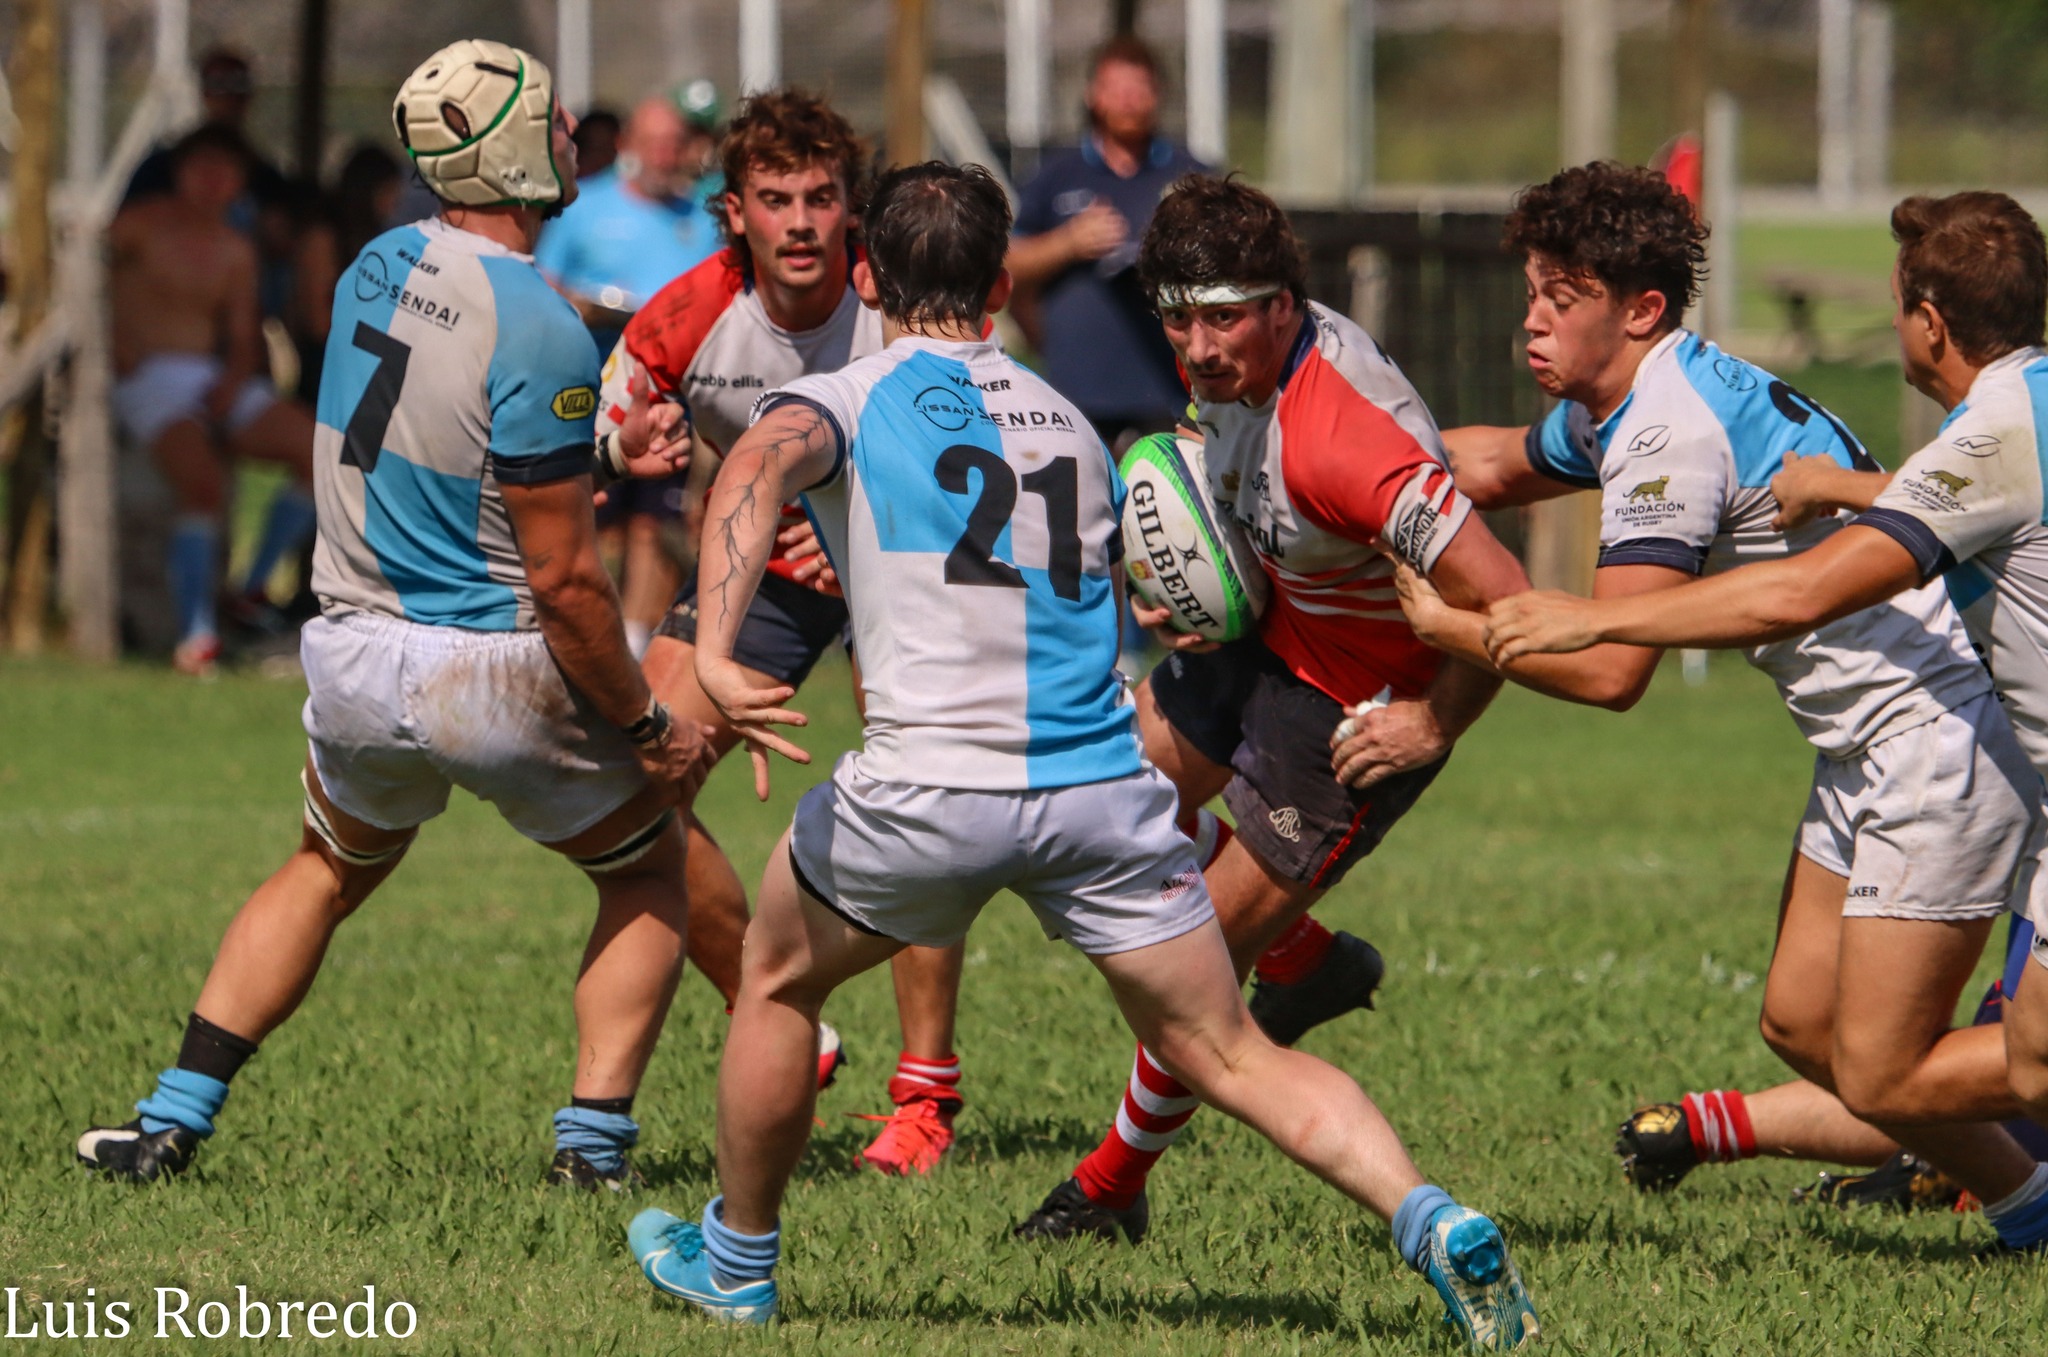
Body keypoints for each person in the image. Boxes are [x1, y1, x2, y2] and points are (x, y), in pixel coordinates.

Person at [621, 161, 1540, 1349]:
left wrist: (718, 648)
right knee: (1225, 1049)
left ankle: (736, 1262)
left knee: (778, 980)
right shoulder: (1069, 421)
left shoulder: (846, 394)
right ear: (1003, 283)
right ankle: (1430, 1217)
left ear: (865, 276)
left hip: (928, 790)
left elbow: (750, 465)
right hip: (1097, 791)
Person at [75, 39, 709, 1195]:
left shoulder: (373, 264)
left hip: (355, 655)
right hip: (492, 668)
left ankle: (168, 1120)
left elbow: (441, 452)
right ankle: (593, 1147)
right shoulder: (543, 319)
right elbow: (566, 585)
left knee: (325, 862)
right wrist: (645, 725)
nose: (572, 132)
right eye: (553, 118)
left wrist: (600, 453)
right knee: (646, 871)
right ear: (511, 149)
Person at [1401, 169, 2048, 1251]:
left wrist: (1465, 629)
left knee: (1882, 1062)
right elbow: (1490, 462)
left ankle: (2028, 1193)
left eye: (1559, 295)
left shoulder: (1669, 431)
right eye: (1531, 290)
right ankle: (2026, 1191)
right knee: (1799, 1021)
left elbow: (1612, 672)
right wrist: (1343, 461)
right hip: (1858, 744)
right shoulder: (1642, 394)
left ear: (1638, 311)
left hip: (1932, 742)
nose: (1532, 316)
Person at [1002, 175, 1535, 1247]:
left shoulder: (1345, 444)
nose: (1196, 346)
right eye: (1177, 316)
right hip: (1267, 636)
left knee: (1186, 967)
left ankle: (1108, 1189)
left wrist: (1430, 723)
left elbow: (1510, 602)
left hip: (1348, 712)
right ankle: (1306, 959)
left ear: (1283, 306)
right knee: (1075, 810)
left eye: (1225, 316)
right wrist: (1208, 578)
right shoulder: (1234, 367)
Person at [108, 124, 318, 675]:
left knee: (325, 449)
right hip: (145, 376)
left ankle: (250, 588)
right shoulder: (136, 225)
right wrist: (112, 338)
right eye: (202, 168)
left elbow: (245, 334)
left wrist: (232, 381)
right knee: (201, 483)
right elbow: (85, 282)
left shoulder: (235, 248)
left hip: (209, 374)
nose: (213, 182)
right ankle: (197, 635)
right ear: (180, 172)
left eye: (227, 172)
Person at [539, 93, 729, 656]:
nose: (666, 156)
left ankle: (633, 642)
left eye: (675, 144)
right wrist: (590, 307)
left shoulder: (702, 213)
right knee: (594, 516)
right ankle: (577, 630)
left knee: (654, 521)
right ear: (629, 147)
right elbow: (542, 288)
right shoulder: (583, 205)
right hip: (588, 387)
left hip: (672, 394)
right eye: (655, 144)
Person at [1007, 36, 1206, 450]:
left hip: (1174, 399)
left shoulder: (1192, 175)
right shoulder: (1055, 174)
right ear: (1092, 95)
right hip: (1074, 400)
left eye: (1139, 88)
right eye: (1116, 88)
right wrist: (1068, 243)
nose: (1128, 100)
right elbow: (1006, 268)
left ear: (1158, 95)